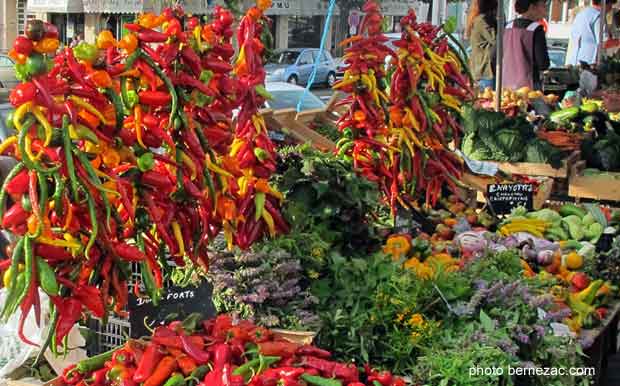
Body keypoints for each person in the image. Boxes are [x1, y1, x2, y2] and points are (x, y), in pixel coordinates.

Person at [502, 0, 550, 90]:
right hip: (529, 86)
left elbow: (494, 56)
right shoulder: (536, 29)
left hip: (506, 85)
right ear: (532, 7)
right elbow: (543, 63)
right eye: (543, 6)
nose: (545, 11)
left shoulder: (507, 27)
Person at [566, 0, 616, 66]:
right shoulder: (598, 16)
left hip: (574, 61)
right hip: (589, 64)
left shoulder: (581, 14)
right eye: (611, 4)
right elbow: (604, 43)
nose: (611, 8)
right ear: (605, 3)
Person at [465, 0, 498, 91]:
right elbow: (496, 40)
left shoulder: (477, 19)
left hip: (482, 68)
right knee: (487, 99)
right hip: (485, 69)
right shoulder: (482, 20)